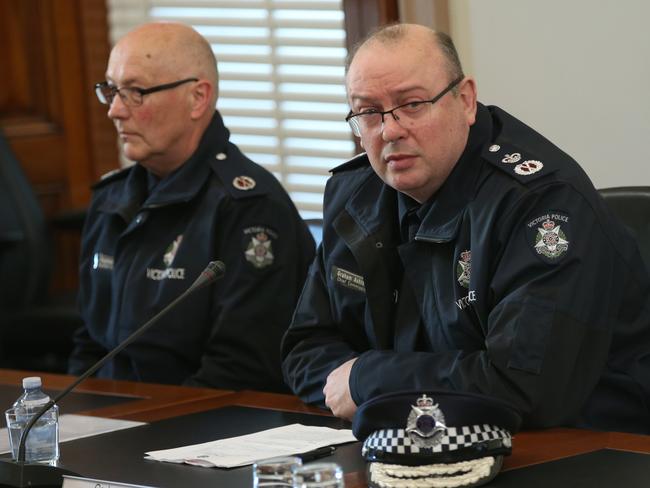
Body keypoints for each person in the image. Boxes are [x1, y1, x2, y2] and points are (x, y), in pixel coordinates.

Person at [281, 23, 650, 433]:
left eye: (413, 104)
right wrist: (379, 391)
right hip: (417, 443)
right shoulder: (355, 196)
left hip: (587, 449)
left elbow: (522, 387)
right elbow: (304, 351)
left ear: (466, 100)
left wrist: (368, 380)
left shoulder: (540, 204)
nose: (390, 129)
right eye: (368, 112)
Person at [68, 22, 315, 392]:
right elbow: (89, 344)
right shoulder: (111, 200)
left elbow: (243, 371)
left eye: (135, 92)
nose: (115, 111)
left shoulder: (249, 208)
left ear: (198, 98)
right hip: (114, 423)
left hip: (200, 430)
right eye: (112, 90)